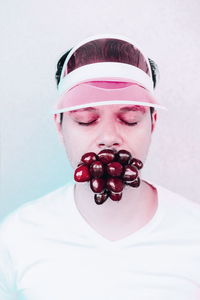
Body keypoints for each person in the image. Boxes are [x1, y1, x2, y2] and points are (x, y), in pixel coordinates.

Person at [0, 33, 200, 300]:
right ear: (59, 127)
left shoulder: (193, 233)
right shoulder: (17, 236)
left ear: (153, 123)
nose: (109, 138)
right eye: (86, 120)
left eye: (130, 119)